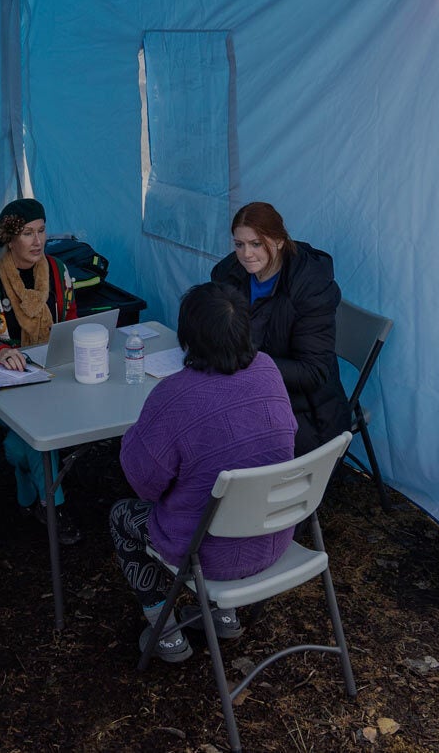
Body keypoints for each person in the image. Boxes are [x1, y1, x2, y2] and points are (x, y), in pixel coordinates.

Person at [111, 282, 298, 662]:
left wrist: (140, 434)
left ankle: (164, 629)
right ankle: (221, 613)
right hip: (274, 536)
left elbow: (143, 484)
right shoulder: (268, 370)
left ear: (188, 338)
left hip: (206, 556)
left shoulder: (175, 395)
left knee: (120, 516)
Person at [0, 197, 83, 542]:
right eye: (27, 233)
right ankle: (51, 505)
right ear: (9, 239)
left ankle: (27, 491)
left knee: (18, 443)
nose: (38, 241)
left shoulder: (59, 272)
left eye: (41, 231)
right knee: (36, 428)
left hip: (47, 377)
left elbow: (69, 322)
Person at [209, 202, 345, 455]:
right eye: (239, 244)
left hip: (304, 408)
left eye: (257, 244)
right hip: (244, 385)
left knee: (220, 439)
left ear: (279, 241)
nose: (246, 253)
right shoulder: (231, 272)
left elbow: (313, 372)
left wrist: (244, 360)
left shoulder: (310, 286)